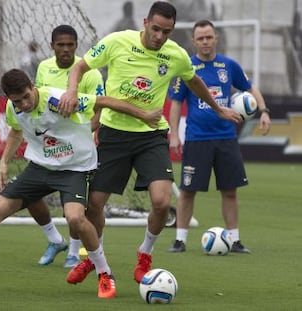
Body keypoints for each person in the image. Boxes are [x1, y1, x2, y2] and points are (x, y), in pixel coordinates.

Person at [0, 68, 162, 298]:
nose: (23, 104)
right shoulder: (13, 108)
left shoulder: (58, 100)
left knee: (76, 218)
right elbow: (15, 132)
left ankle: (105, 273)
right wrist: (4, 162)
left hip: (74, 169)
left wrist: (145, 115)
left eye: (26, 97)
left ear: (32, 86)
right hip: (39, 168)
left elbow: (105, 102)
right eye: (17, 101)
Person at [58, 1, 242, 285]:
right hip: (114, 134)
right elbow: (80, 67)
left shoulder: (176, 55)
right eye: (155, 29)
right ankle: (94, 260)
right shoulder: (117, 41)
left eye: (166, 32)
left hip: (151, 136)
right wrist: (71, 91)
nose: (159, 36)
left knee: (161, 201)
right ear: (145, 22)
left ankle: (145, 255)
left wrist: (218, 108)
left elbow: (193, 82)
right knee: (94, 205)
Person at [167, 20, 271, 253]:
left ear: (216, 38)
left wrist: (263, 110)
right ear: (193, 41)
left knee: (230, 190)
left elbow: (251, 89)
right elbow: (175, 103)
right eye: (200, 38)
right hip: (196, 138)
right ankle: (180, 240)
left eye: (209, 37)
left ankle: (234, 240)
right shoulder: (186, 67)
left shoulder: (229, 65)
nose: (205, 41)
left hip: (226, 138)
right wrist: (174, 134)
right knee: (187, 190)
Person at [33, 25, 105, 268]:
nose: (65, 49)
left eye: (70, 45)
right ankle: (54, 239)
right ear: (52, 46)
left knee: (74, 208)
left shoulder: (91, 73)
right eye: (60, 45)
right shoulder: (43, 68)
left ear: (76, 46)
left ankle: (74, 252)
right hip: (48, 146)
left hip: (77, 151)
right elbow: (38, 104)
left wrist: (82, 135)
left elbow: (98, 112)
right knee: (28, 196)